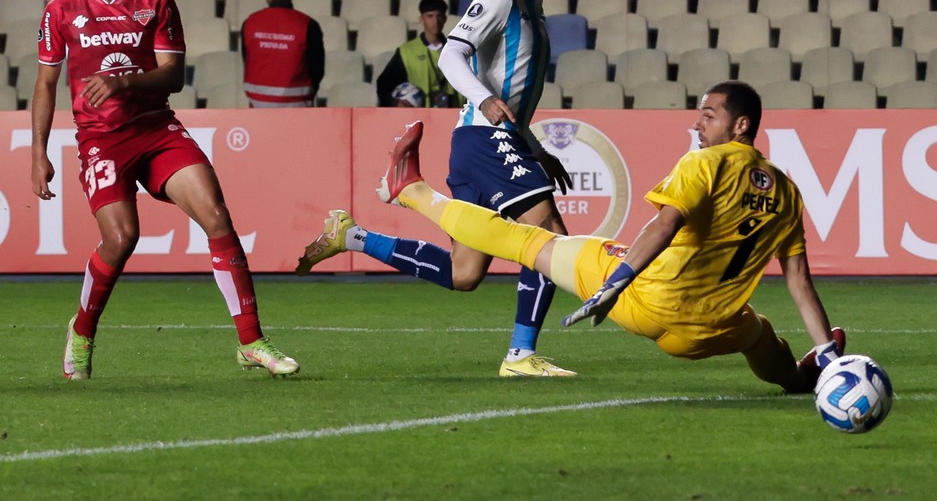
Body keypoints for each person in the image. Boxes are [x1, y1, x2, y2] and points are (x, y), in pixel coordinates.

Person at [299, 81, 846, 392]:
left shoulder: (703, 164)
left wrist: (618, 282)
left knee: (527, 241)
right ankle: (807, 378)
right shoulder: (789, 192)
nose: (699, 124)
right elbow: (799, 282)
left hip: (641, 299)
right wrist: (831, 353)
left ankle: (411, 190)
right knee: (759, 332)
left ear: (741, 126)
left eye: (708, 115)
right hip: (702, 337)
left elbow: (663, 223)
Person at [299, 0, 577, 378]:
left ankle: (353, 236)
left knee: (464, 272)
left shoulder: (533, 8)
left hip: (488, 142)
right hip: (487, 141)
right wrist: (483, 98)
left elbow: (511, 100)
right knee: (548, 235)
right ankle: (520, 355)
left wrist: (536, 149)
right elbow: (452, 52)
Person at [31, 0, 299, 380]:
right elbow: (45, 83)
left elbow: (173, 74)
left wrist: (124, 81)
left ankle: (252, 342)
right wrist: (39, 153)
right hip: (101, 140)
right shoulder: (61, 10)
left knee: (216, 215)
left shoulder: (156, 2)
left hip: (156, 130)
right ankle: (83, 329)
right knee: (121, 238)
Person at [241, 0, 324, 107]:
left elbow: (247, 60)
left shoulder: (249, 23)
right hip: (297, 109)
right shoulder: (308, 25)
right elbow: (317, 70)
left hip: (258, 110)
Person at [375, 0, 463, 108]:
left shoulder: (458, 50)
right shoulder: (407, 51)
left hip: (453, 115)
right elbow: (383, 84)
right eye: (430, 16)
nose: (435, 21)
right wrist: (395, 103)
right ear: (421, 19)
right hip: (419, 116)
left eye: (439, 16)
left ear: (445, 19)